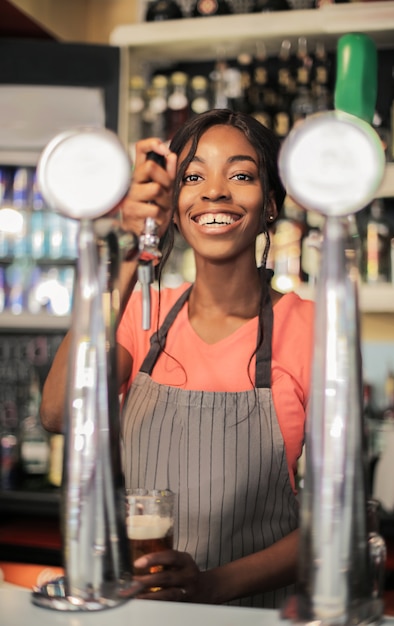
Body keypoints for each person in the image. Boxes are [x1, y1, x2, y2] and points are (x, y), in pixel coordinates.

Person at [40, 109, 314, 609]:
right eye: (193, 176)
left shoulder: (311, 328)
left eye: (241, 174)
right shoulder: (141, 314)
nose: (214, 191)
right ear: (173, 203)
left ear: (271, 204)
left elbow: (344, 520)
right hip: (142, 613)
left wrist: (211, 585)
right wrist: (130, 249)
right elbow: (59, 412)